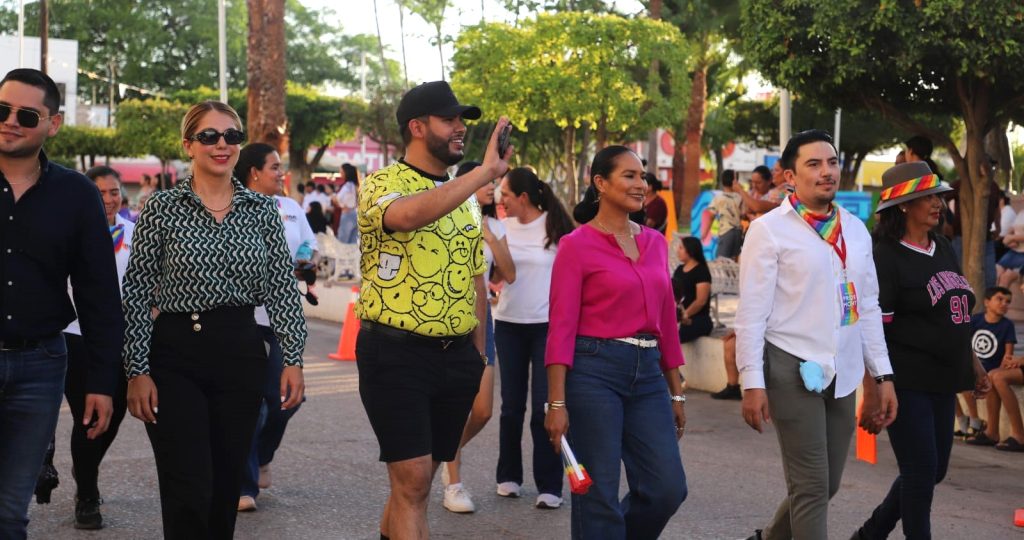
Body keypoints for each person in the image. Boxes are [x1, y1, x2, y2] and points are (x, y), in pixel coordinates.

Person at [122, 101, 306, 539]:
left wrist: (294, 358)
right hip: (174, 354)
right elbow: (137, 291)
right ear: (189, 144)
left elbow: (281, 287)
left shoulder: (262, 211)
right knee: (188, 484)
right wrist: (136, 370)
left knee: (225, 485)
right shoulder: (162, 208)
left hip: (240, 352)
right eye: (209, 136)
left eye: (231, 136)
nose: (221, 144)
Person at [354, 80, 510, 540]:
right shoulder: (383, 183)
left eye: (463, 119)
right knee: (415, 480)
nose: (461, 128)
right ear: (417, 127)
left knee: (411, 487)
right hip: (395, 353)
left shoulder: (463, 200)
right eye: (451, 119)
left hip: (456, 356)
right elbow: (406, 217)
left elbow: (475, 277)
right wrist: (482, 175)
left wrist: (478, 353)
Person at [735, 130, 896, 540]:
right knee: (810, 486)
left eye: (832, 162)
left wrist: (882, 376)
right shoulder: (768, 230)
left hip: (841, 369)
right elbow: (752, 314)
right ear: (790, 176)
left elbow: (869, 307)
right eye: (814, 164)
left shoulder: (857, 230)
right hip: (791, 365)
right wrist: (751, 382)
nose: (827, 172)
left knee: (828, 484)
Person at [0, 68, 122, 539]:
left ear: (53, 124)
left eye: (26, 114)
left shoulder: (76, 194)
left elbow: (98, 294)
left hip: (41, 365)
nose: (10, 121)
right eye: (3, 110)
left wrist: (101, 380)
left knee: (10, 512)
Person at [544, 145, 687, 539]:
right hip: (593, 372)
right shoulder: (576, 245)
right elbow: (561, 327)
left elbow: (667, 325)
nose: (641, 184)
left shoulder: (656, 244)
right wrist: (556, 403)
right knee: (599, 495)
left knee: (667, 488)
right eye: (630, 175)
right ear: (601, 184)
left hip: (648, 375)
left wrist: (676, 393)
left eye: (642, 176)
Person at [853, 160, 990, 539]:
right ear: (903, 206)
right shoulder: (886, 256)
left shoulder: (943, 246)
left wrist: (974, 365)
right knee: (919, 472)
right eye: (926, 197)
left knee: (935, 471)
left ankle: (872, 532)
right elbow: (872, 328)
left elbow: (955, 314)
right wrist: (875, 387)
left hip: (945, 380)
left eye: (938, 196)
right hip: (906, 381)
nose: (937, 203)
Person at [233, 143, 318, 511]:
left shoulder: (292, 208)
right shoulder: (234, 207)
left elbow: (311, 247)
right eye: (274, 167)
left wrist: (306, 260)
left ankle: (263, 454)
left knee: (285, 400)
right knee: (252, 405)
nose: (281, 173)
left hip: (284, 321)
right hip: (245, 320)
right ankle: (245, 485)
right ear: (253, 171)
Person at [53, 166, 134, 529]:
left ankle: (85, 466)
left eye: (113, 191)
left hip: (123, 337)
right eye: (99, 193)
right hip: (77, 334)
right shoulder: (70, 230)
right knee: (89, 415)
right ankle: (87, 494)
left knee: (114, 415)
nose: (108, 199)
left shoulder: (135, 233)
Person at [494, 166, 574, 509]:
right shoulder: (499, 228)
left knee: (545, 407)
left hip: (547, 327)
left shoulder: (556, 228)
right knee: (511, 407)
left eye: (506, 195)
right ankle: (508, 476)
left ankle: (550, 485)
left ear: (522, 197)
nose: (501, 200)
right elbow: (497, 273)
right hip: (508, 324)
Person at [439, 161, 517, 514]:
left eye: (496, 182)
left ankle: (444, 449)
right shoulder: (447, 219)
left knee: (483, 410)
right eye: (488, 181)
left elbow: (508, 273)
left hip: (484, 321)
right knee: (454, 405)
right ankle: (453, 484)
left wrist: (490, 237)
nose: (493, 187)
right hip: (447, 320)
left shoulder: (495, 225)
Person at [962, 286, 1015, 447]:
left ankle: (978, 426)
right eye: (1000, 299)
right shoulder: (976, 320)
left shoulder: (1007, 325)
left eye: (1008, 302)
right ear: (986, 302)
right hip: (974, 365)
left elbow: (1008, 354)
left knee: (992, 376)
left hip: (992, 368)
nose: (1004, 304)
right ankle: (972, 420)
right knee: (956, 375)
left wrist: (1004, 364)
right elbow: (963, 341)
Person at [672, 236, 713, 343]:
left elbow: (701, 301)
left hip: (699, 319)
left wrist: (685, 315)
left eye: (681, 248)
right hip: (681, 317)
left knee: (675, 336)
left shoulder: (701, 271)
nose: (678, 251)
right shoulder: (679, 270)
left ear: (690, 250)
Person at [702, 169, 743, 259]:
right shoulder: (740, 197)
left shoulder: (718, 198)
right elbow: (743, 213)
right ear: (735, 181)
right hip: (738, 232)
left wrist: (704, 234)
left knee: (721, 260)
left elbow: (711, 217)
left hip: (726, 231)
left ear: (722, 181)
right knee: (734, 259)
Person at [336, 163, 359, 244]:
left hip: (348, 214)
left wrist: (332, 197)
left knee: (342, 242)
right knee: (353, 242)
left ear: (346, 172)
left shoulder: (347, 186)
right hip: (356, 214)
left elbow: (338, 199)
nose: (340, 173)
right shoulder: (356, 185)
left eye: (341, 172)